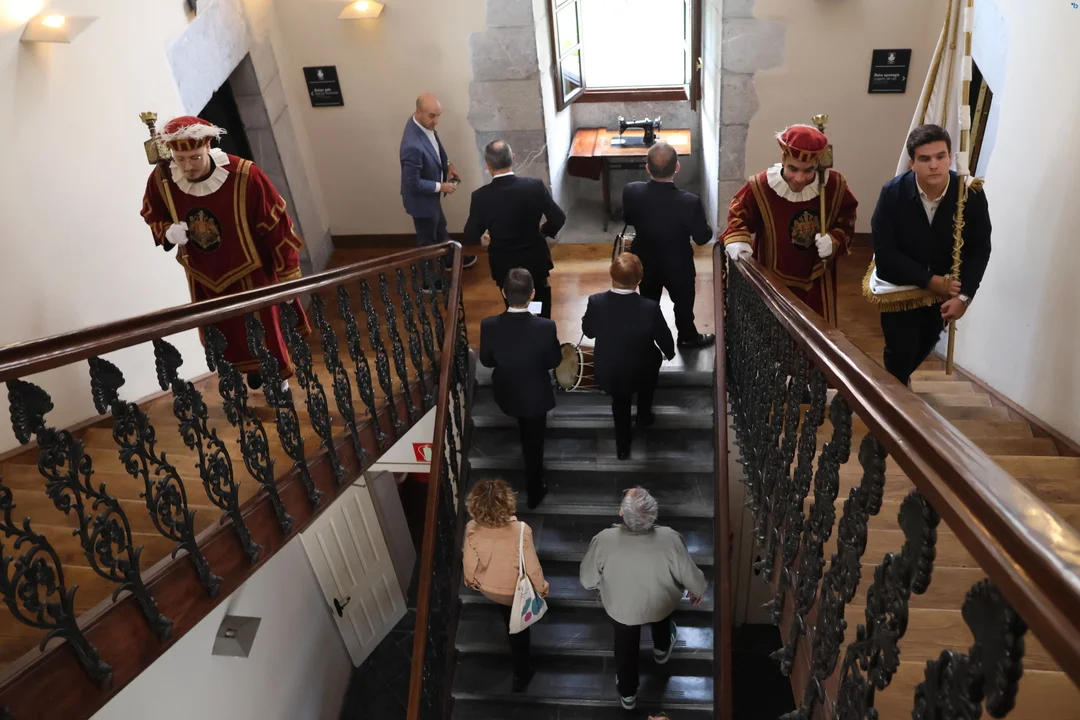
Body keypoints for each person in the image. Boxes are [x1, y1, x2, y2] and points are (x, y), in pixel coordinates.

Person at [140, 115, 308, 391]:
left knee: (264, 331)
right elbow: (152, 212)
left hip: (250, 270)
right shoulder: (163, 178)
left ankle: (277, 380)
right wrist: (167, 231)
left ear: (207, 147)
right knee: (222, 334)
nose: (187, 166)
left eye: (194, 157)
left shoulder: (245, 176)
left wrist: (288, 276)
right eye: (180, 159)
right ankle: (244, 374)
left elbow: (277, 227)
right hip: (203, 274)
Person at [869, 124, 992, 386]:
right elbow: (885, 252)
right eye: (925, 159)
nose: (934, 165)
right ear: (912, 163)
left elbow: (979, 249)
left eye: (940, 156)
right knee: (899, 349)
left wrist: (964, 296)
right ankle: (894, 398)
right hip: (900, 283)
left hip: (944, 288)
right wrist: (929, 280)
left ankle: (896, 387)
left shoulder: (970, 194)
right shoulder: (892, 193)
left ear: (950, 157)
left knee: (926, 341)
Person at [579, 488, 707, 711]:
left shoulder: (604, 540)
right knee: (661, 616)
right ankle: (661, 650)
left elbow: (587, 580)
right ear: (653, 513)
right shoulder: (670, 538)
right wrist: (698, 590)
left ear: (621, 512)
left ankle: (628, 693)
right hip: (661, 603)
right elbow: (691, 576)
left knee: (625, 647)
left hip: (622, 609)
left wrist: (601, 585)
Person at [721, 124, 858, 326]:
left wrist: (834, 239)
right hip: (772, 276)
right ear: (783, 159)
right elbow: (738, 214)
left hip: (817, 279)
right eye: (793, 169)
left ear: (817, 163)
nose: (800, 178)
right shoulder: (761, 186)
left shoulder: (834, 186)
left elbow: (847, 219)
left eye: (808, 170)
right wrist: (738, 240)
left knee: (815, 332)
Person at [479, 268, 562, 508]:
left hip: (507, 393)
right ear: (533, 294)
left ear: (503, 293)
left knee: (526, 429)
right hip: (535, 396)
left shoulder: (489, 325)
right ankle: (535, 492)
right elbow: (554, 361)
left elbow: (486, 361)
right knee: (534, 443)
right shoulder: (546, 326)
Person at [582, 254, 675, 460]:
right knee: (652, 363)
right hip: (641, 369)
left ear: (611, 276)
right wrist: (669, 352)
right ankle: (644, 414)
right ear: (639, 280)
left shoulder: (596, 302)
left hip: (611, 370)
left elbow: (588, 332)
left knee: (620, 402)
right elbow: (663, 336)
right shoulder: (649, 307)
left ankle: (623, 446)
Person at [622, 142, 715, 348]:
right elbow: (702, 238)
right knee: (683, 303)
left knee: (649, 302)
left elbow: (628, 218)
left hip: (646, 261)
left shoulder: (632, 191)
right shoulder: (690, 201)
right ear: (677, 167)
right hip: (678, 264)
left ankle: (649, 340)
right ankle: (687, 336)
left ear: (648, 168)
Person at [463, 478, 549, 692]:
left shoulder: (472, 528)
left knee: (505, 611)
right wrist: (542, 588)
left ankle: (521, 663)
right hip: (513, 591)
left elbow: (469, 562)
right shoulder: (521, 530)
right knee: (518, 629)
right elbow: (532, 568)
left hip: (488, 588)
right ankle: (522, 671)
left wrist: (470, 579)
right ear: (508, 502)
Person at [464, 141, 566, 319]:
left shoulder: (480, 197)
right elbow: (558, 218)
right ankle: (542, 327)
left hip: (504, 262)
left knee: (513, 305)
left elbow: (470, 235)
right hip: (535, 258)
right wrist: (542, 233)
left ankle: (519, 328)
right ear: (512, 157)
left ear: (488, 164)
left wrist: (487, 238)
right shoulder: (534, 186)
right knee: (540, 300)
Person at [399, 92, 477, 286]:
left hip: (431, 197)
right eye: (432, 116)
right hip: (421, 201)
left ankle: (450, 260)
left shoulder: (423, 125)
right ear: (418, 112)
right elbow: (412, 183)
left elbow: (435, 148)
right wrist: (441, 186)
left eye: (438, 115)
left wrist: (448, 165)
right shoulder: (412, 146)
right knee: (427, 242)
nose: (436, 121)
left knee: (441, 227)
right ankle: (429, 282)